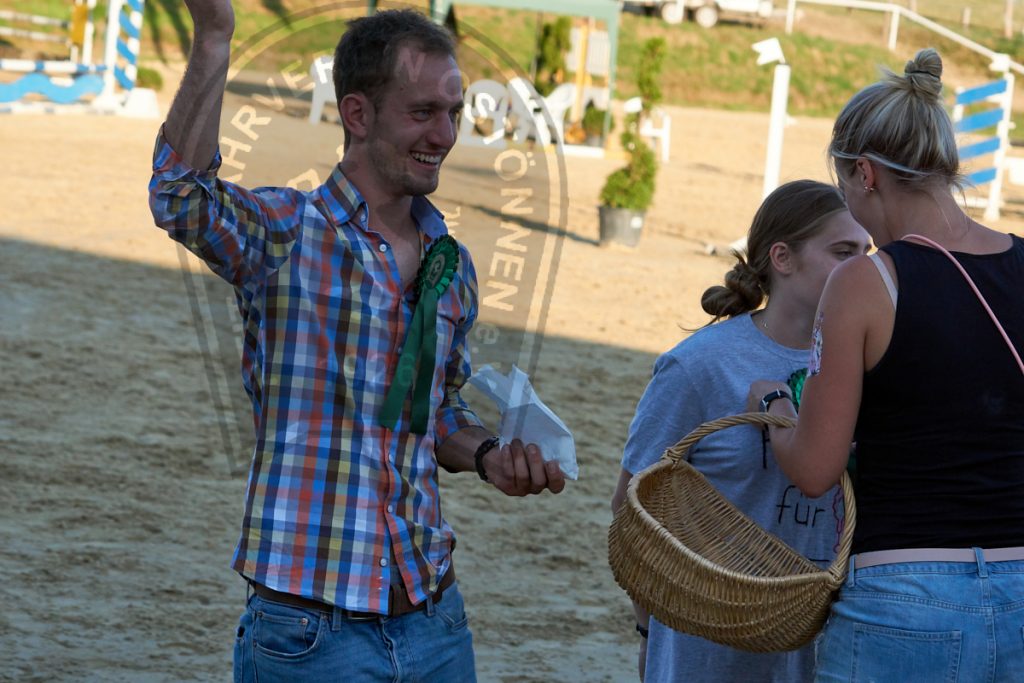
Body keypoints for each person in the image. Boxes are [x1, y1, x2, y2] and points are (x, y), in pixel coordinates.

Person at [148, 5, 566, 681]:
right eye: (423, 112)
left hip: (436, 620)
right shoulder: (288, 233)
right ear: (358, 114)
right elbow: (180, 198)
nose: (445, 134)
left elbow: (434, 412)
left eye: (454, 112)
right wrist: (215, 37)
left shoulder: (451, 265)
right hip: (310, 636)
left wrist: (490, 455)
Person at [748, 48, 1024, 682]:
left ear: (865, 174)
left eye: (845, 186)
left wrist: (771, 404)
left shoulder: (865, 282)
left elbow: (815, 469)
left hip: (905, 594)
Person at [611, 179, 871, 682]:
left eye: (867, 253)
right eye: (843, 252)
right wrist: (649, 630)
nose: (860, 268)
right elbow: (632, 507)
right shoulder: (700, 365)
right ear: (783, 258)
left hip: (833, 649)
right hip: (709, 652)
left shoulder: (871, 362)